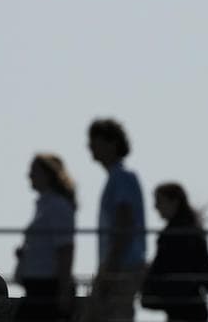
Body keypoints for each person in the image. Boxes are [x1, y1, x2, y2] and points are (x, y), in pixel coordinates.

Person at [82, 118, 146, 322]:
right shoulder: (118, 178)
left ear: (111, 143)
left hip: (121, 266)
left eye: (95, 140)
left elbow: (124, 224)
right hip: (120, 265)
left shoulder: (121, 177)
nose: (90, 146)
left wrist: (107, 269)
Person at [141, 183, 208, 321]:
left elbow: (166, 268)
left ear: (174, 202)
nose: (155, 207)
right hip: (191, 307)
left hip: (182, 309)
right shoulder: (189, 231)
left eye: (159, 201)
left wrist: (146, 278)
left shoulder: (175, 235)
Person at [13, 153, 77, 321]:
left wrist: (64, 290)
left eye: (34, 171)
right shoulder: (44, 206)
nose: (29, 175)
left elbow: (65, 249)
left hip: (48, 288)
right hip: (36, 287)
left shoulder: (57, 206)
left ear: (47, 175)